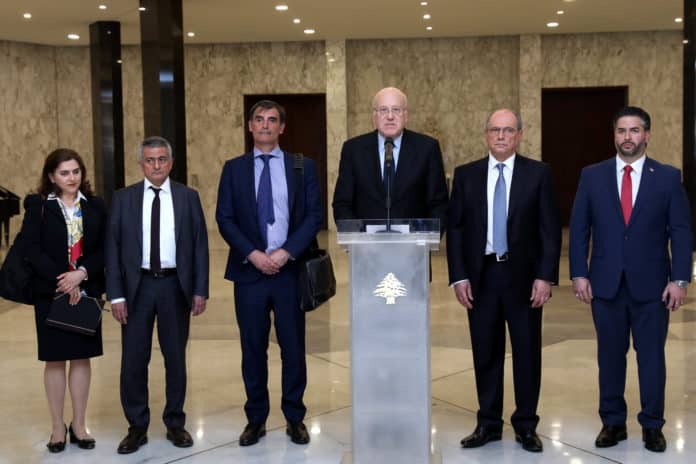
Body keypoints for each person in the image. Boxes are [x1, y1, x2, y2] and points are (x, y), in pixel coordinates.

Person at [569, 106, 692, 453]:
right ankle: (613, 422)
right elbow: (579, 229)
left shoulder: (667, 177)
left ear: (647, 135)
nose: (627, 137)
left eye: (634, 130)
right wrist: (579, 273)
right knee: (610, 357)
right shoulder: (592, 176)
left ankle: (652, 425)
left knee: (651, 358)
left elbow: (681, 232)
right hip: (605, 284)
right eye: (621, 130)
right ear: (614, 135)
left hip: (653, 287)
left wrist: (679, 280)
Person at [446, 109, 561, 453]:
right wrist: (459, 276)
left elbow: (550, 230)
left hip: (523, 278)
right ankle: (488, 423)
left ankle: (526, 425)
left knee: (527, 352)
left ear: (519, 135)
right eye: (495, 130)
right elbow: (456, 229)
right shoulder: (466, 175)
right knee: (486, 351)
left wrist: (545, 276)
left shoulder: (538, 174)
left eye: (508, 130)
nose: (500, 136)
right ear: (486, 134)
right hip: (481, 276)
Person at [216, 100, 321, 446]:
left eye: (272, 120)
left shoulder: (302, 167)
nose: (265, 125)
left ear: (282, 127)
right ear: (250, 126)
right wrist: (254, 254)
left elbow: (313, 217)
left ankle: (295, 417)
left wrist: (285, 252)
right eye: (259, 119)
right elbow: (224, 218)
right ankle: (256, 419)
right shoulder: (233, 169)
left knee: (293, 349)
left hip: (290, 273)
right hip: (249, 273)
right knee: (252, 349)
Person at [105, 136, 209, 454]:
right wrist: (116, 295)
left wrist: (200, 289)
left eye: (162, 159)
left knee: (175, 358)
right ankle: (137, 427)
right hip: (137, 288)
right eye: (150, 160)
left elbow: (200, 246)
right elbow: (113, 249)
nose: (156, 165)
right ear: (141, 164)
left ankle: (175, 422)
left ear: (171, 162)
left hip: (174, 286)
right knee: (134, 360)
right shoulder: (123, 199)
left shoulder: (188, 197)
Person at [21, 148, 106, 452]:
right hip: (50, 291)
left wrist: (80, 274)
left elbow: (105, 248)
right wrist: (64, 279)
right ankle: (58, 427)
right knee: (55, 359)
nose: (72, 178)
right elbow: (31, 249)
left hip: (86, 291)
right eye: (64, 173)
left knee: (81, 358)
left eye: (76, 171)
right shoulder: (39, 206)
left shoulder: (95, 206)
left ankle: (79, 425)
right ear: (51, 176)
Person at [332, 87, 448, 228]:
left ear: (406, 116)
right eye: (383, 110)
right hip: (366, 241)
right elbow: (342, 203)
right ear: (374, 117)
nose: (390, 116)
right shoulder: (353, 150)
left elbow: (439, 204)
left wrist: (426, 236)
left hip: (414, 241)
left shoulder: (427, 148)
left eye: (396, 110)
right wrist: (356, 235)